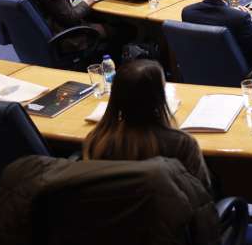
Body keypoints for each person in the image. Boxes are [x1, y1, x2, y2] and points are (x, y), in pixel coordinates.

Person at [83, 59, 211, 191]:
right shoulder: (182, 143)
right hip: (171, 204)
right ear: (159, 98)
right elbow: (202, 192)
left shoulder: (96, 140)